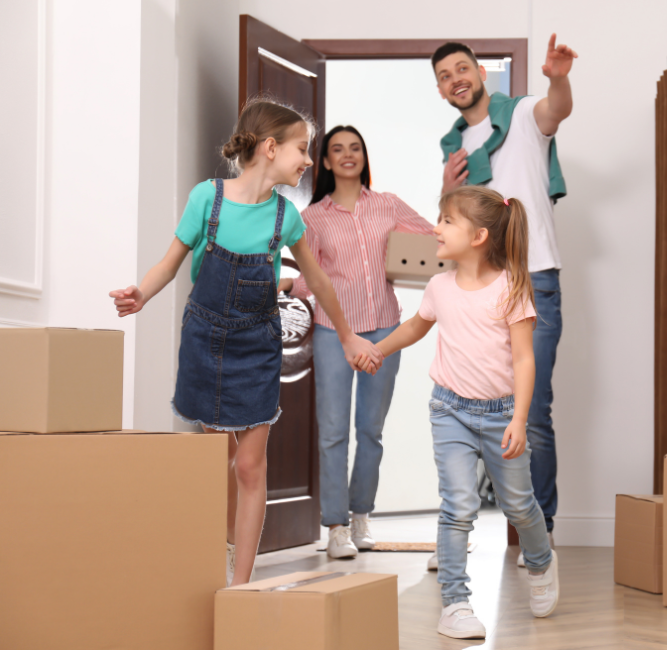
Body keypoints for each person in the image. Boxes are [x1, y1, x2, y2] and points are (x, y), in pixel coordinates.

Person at [109, 99, 382, 587]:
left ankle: (242, 584)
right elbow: (170, 263)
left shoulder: (286, 217)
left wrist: (346, 335)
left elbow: (318, 282)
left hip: (257, 345)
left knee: (251, 463)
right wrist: (141, 293)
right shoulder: (206, 200)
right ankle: (220, 550)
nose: (306, 161)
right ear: (270, 147)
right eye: (302, 149)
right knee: (217, 463)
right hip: (205, 339)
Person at [357, 186, 559, 639]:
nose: (435, 228)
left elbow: (526, 360)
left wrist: (519, 420)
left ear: (479, 236)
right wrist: (377, 350)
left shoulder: (511, 288)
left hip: (503, 412)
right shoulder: (438, 286)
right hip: (450, 410)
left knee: (520, 507)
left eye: (447, 221)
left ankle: (543, 563)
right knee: (458, 506)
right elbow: (414, 326)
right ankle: (456, 603)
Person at [433, 35, 577, 566]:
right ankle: (461, 529)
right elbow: (455, 227)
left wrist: (557, 77)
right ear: (442, 90)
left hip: (532, 278)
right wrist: (443, 189)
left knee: (531, 412)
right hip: (477, 289)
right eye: (445, 75)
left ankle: (539, 533)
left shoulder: (519, 116)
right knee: (468, 405)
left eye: (462, 68)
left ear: (480, 73)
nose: (456, 79)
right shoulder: (453, 150)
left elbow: (555, 109)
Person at [277, 126, 435, 559]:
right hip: (333, 331)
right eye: (337, 150)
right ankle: (336, 527)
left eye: (355, 148)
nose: (348, 155)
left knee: (371, 430)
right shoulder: (313, 218)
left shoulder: (388, 206)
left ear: (364, 156)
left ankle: (361, 515)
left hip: (385, 329)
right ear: (325, 161)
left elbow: (433, 239)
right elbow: (316, 277)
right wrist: (289, 283)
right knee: (332, 432)